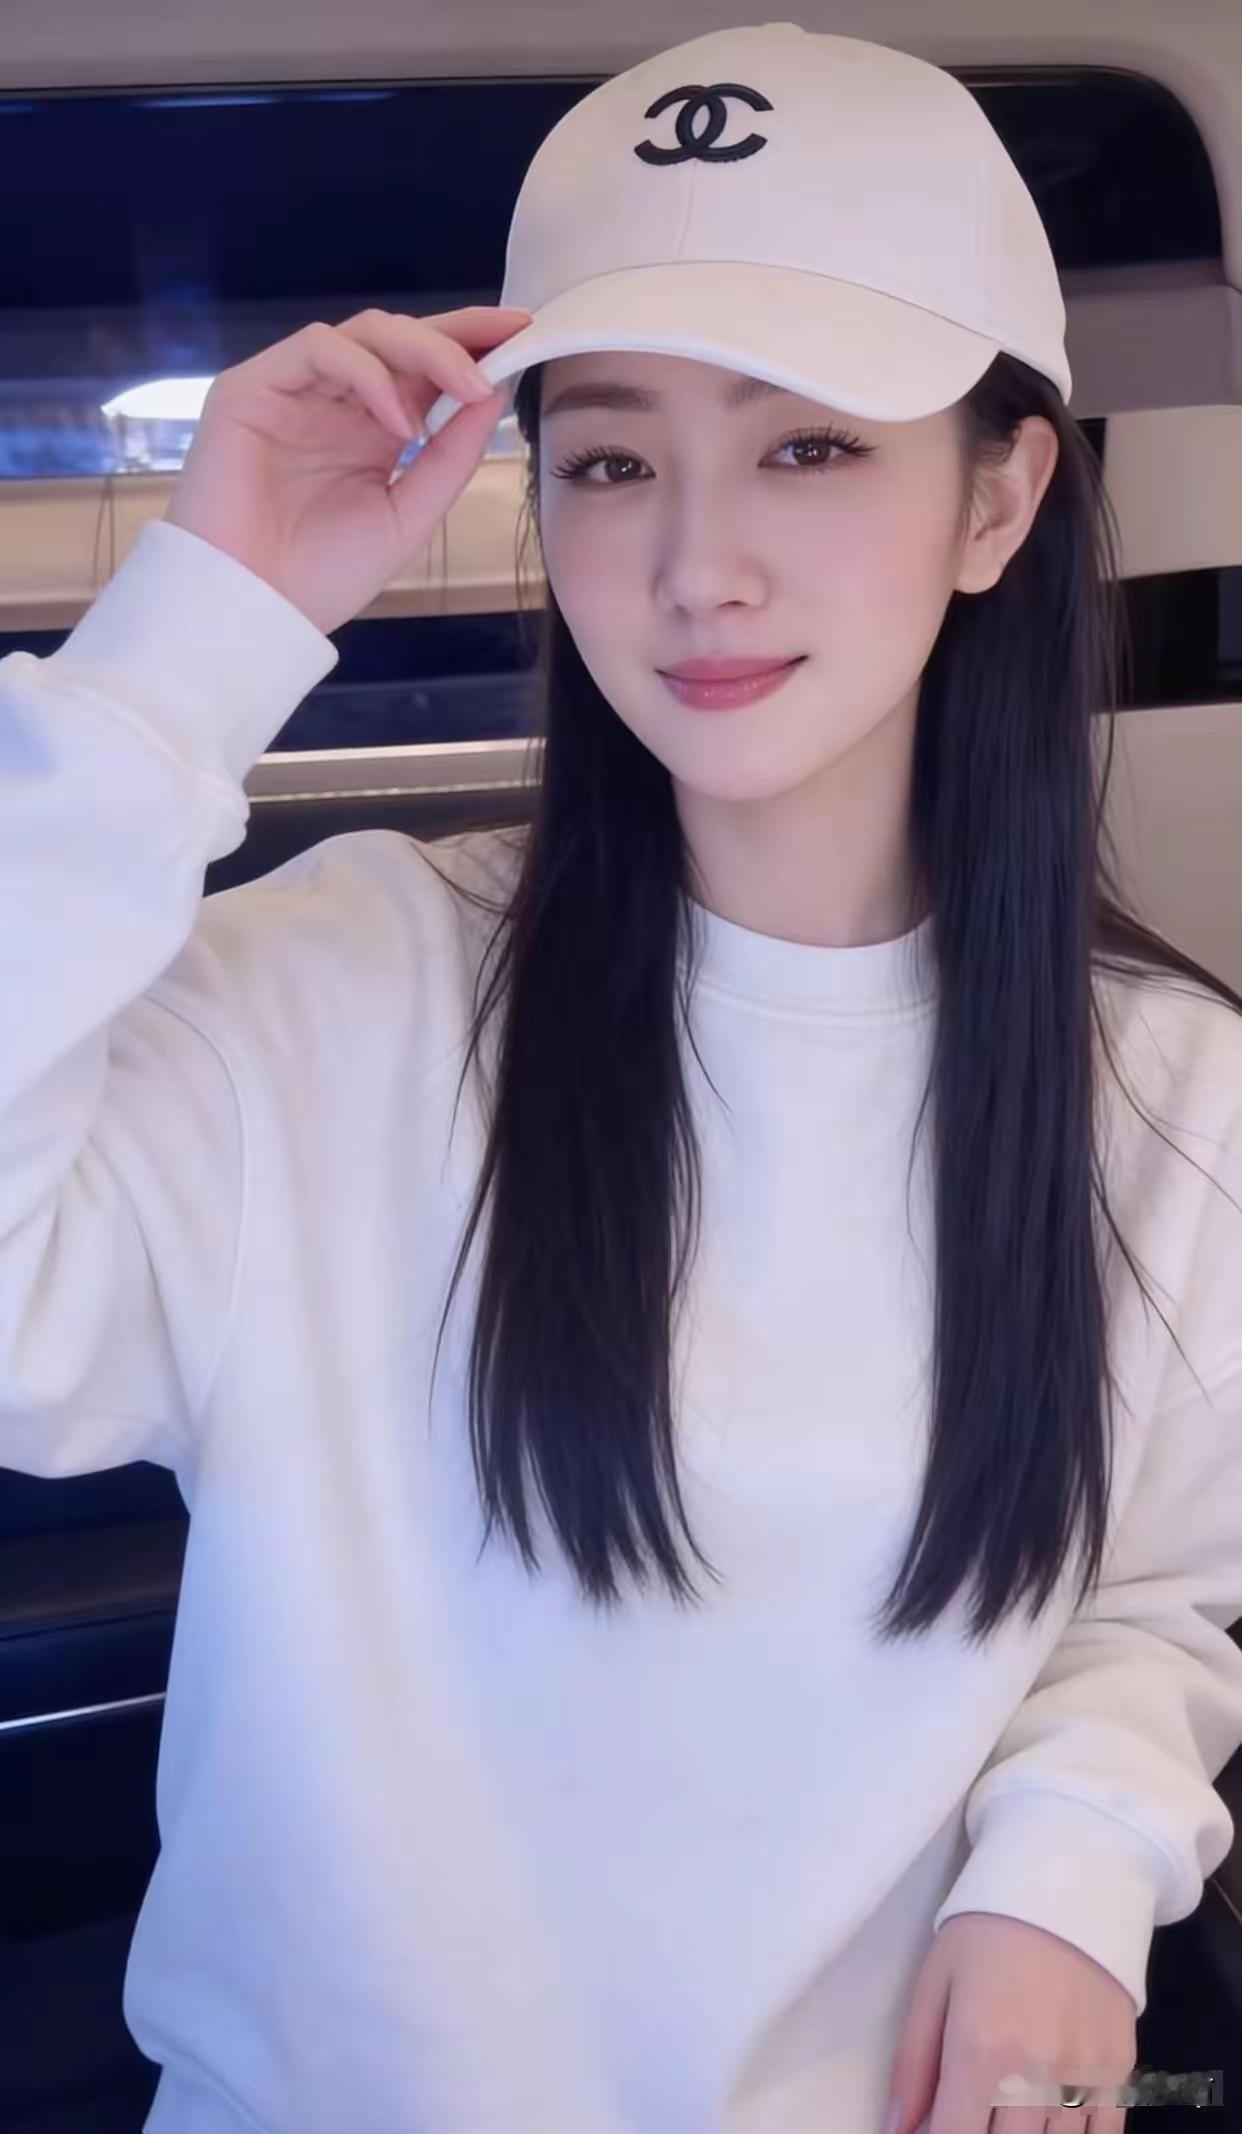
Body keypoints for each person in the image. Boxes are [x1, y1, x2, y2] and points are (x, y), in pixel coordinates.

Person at [2, 20, 1240, 2133]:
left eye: (808, 448)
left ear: (999, 496)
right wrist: (193, 635)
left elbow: (1149, 1591)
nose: (694, 565)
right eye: (606, 460)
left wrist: (1076, 1862)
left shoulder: (1175, 1102)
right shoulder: (340, 992)